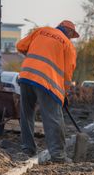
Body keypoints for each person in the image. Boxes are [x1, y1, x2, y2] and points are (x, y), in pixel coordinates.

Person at [16, 20, 78, 163]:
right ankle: (58, 156)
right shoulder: (67, 45)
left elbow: (20, 46)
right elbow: (68, 75)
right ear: (68, 31)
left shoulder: (41, 31)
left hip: (26, 76)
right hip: (46, 83)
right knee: (53, 118)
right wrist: (64, 93)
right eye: (72, 35)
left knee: (26, 114)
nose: (71, 38)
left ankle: (28, 149)